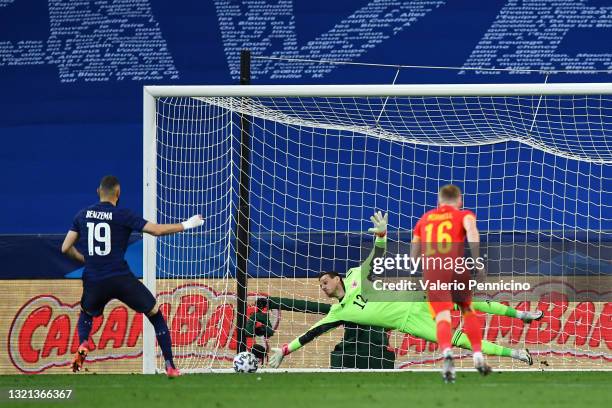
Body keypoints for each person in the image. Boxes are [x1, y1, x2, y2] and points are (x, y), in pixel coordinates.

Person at [268, 212, 540, 370]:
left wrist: (381, 235)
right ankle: (515, 353)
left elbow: (376, 255)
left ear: (337, 278)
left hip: (413, 296)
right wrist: (283, 350)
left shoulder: (354, 276)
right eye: (320, 285)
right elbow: (311, 333)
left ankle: (521, 314)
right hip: (409, 321)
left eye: (324, 281)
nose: (323, 287)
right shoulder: (338, 312)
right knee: (457, 339)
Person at [61, 175, 203, 378]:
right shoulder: (122, 214)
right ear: (118, 194)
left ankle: (84, 342)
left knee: (86, 312)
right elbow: (156, 230)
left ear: (97, 191)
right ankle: (170, 366)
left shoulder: (82, 215)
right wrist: (187, 224)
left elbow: (65, 247)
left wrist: (85, 259)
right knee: (154, 313)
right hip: (120, 278)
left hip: (93, 278)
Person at [411, 184, 487, 382]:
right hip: (457, 267)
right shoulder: (464, 215)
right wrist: (477, 261)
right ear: (459, 201)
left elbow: (414, 252)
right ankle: (478, 354)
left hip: (434, 271)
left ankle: (447, 354)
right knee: (467, 310)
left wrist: (416, 267)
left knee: (442, 317)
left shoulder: (424, 219)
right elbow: (471, 230)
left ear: (439, 201)